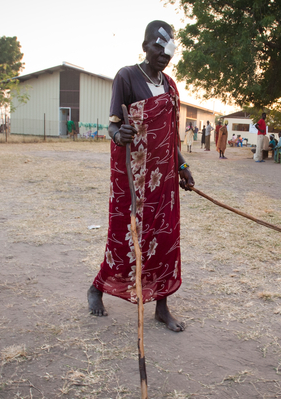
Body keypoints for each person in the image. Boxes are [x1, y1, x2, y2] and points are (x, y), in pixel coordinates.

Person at [87, 20, 194, 332]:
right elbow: (112, 125)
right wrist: (119, 133)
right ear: (145, 45)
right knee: (125, 238)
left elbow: (170, 138)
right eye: (157, 46)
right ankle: (98, 287)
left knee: (164, 240)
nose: (163, 53)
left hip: (164, 182)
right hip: (132, 180)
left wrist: (183, 168)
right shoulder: (127, 77)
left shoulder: (171, 86)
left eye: (169, 48)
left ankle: (161, 305)